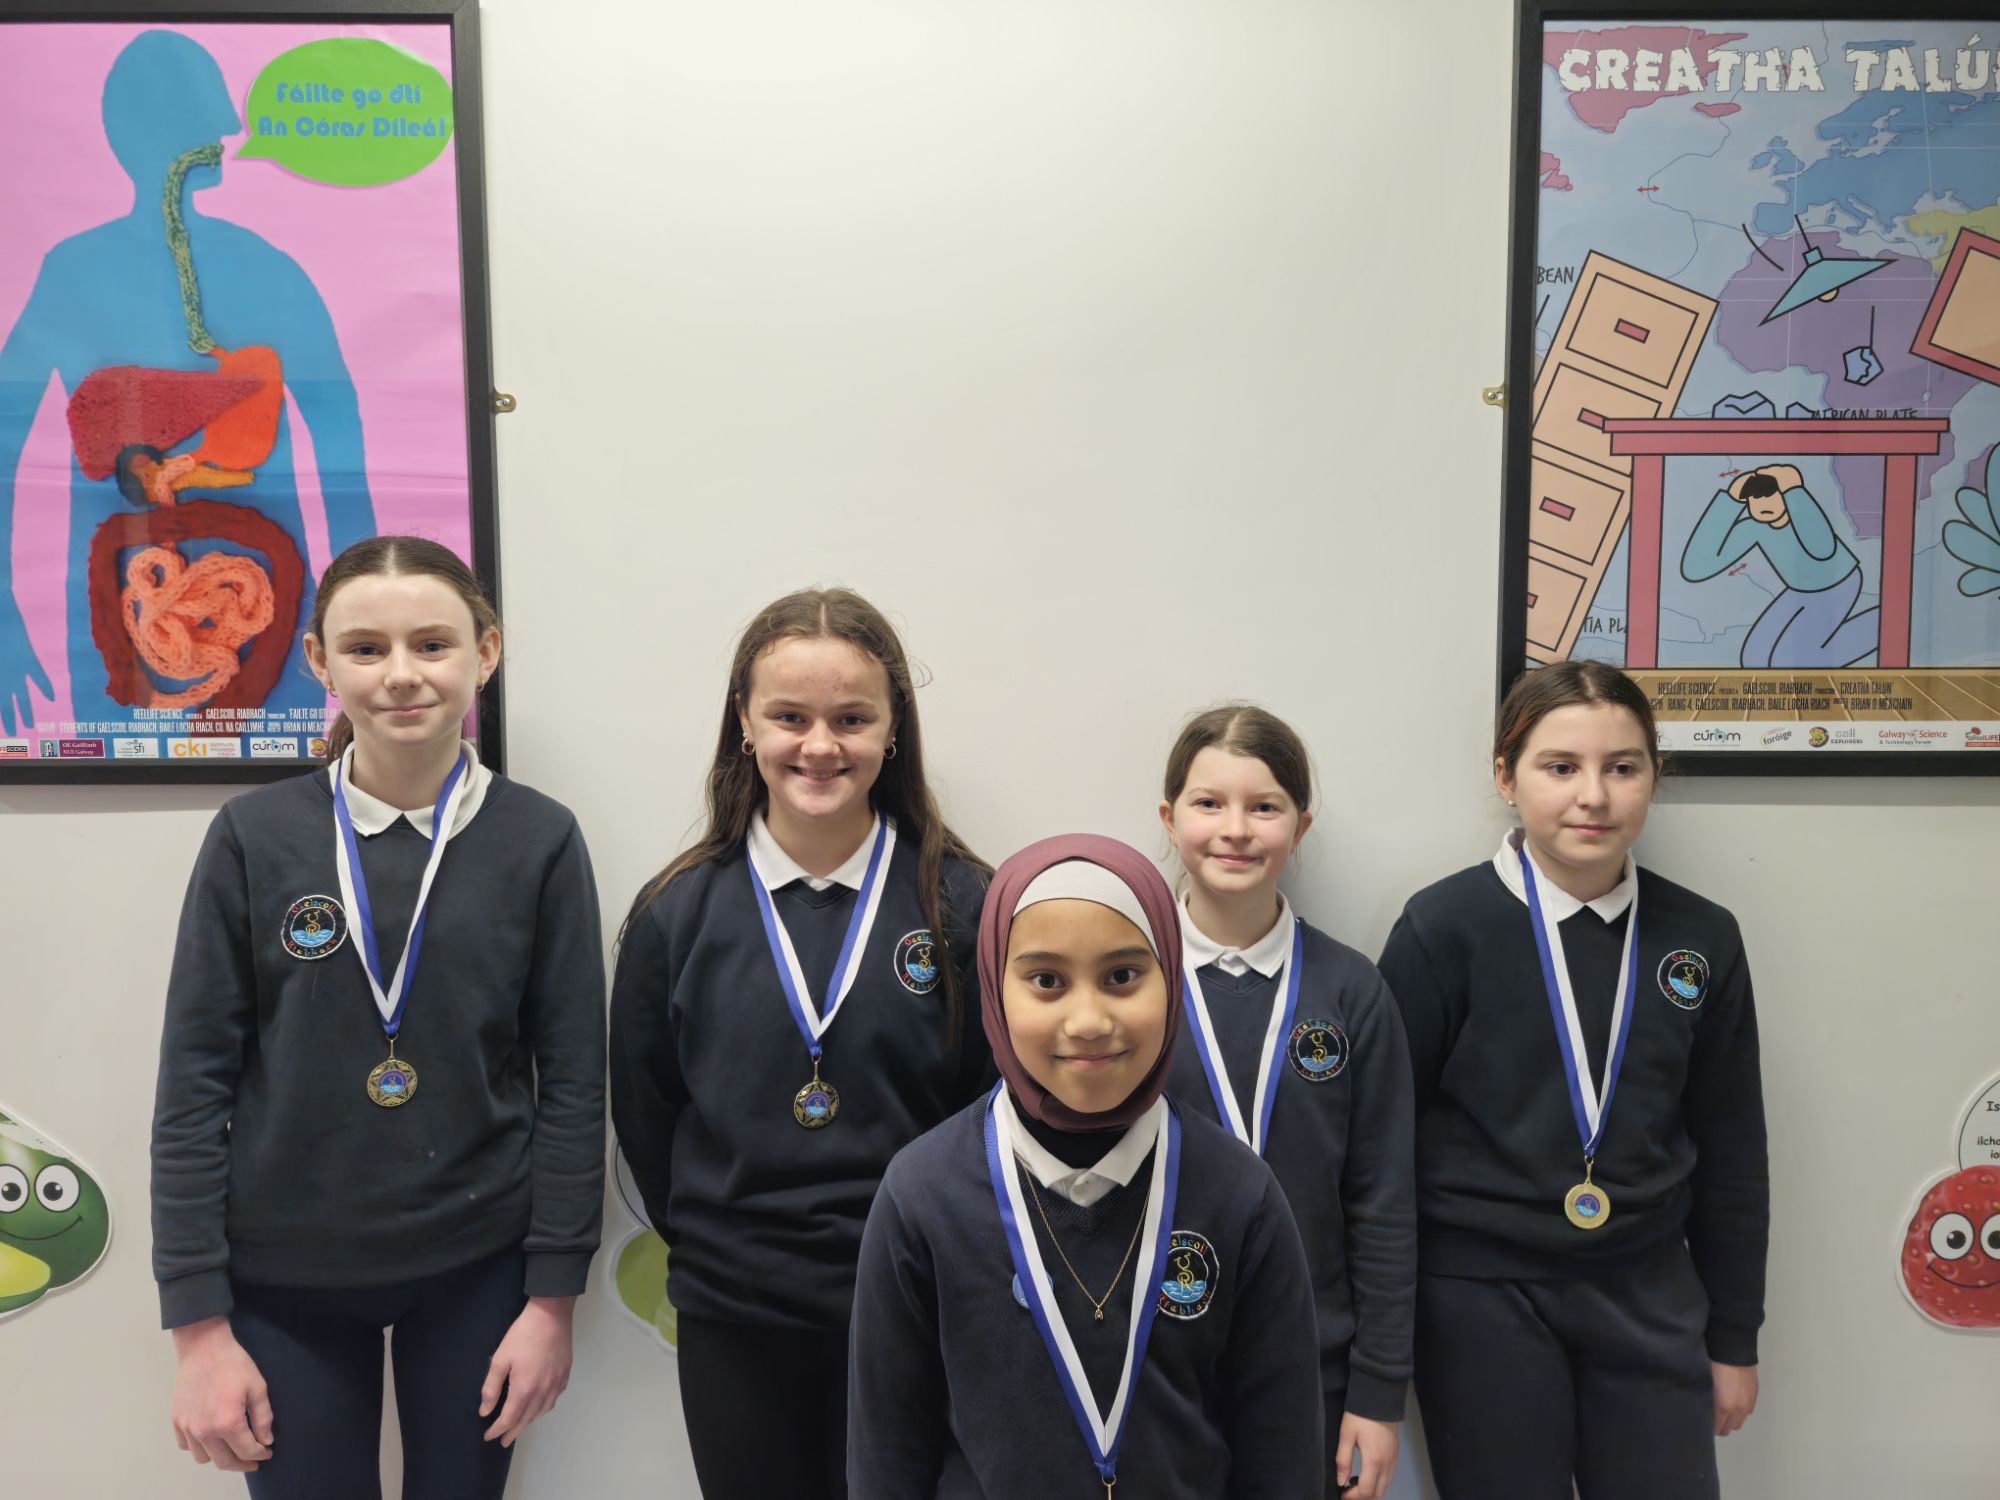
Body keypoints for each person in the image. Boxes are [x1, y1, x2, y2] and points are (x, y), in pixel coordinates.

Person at [151, 536, 604, 1498]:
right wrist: (196, 1326)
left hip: (479, 1267)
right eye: (366, 648)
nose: (401, 674)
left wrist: (553, 1299)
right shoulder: (253, 837)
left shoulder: (540, 839)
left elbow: (573, 1082)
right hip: (284, 1278)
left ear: (485, 652)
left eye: (433, 644)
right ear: (320, 661)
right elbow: (193, 1086)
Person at [609, 587, 989, 1499]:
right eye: (790, 717)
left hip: (913, 1301)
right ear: (745, 721)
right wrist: (720, 1241)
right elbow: (648, 1117)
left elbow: (987, 1113)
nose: (820, 746)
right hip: (735, 1313)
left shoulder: (963, 905)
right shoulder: (676, 914)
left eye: (852, 718)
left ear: (893, 729)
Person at [1377, 659, 1768, 1500]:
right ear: (1505, 777)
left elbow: (1735, 1151)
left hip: (1650, 1287)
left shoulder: (1701, 937)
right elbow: (1380, 1151)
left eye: (1622, 767)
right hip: (1479, 1297)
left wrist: (1735, 1336)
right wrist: (1383, 1343)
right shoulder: (1441, 928)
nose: (1593, 796)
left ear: (1654, 777)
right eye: (1560, 767)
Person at [849, 833, 1324, 1498]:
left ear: (1172, 978)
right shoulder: (921, 1195)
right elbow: (887, 1458)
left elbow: (1283, 1458)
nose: (1089, 1021)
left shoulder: (1240, 1193)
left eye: (1122, 977)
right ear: (994, 989)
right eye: (1047, 981)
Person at [1158, 705, 1414, 1498]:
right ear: (1169, 819)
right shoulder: (1129, 984)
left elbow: (1383, 1201)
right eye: (1209, 803)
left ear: (1300, 827)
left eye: (1264, 807)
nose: (1235, 829)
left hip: (1313, 1368)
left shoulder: (1350, 990)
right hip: (1154, 1362)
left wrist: (1378, 1392)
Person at [1680, 463, 1878, 668]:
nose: (1762, 503)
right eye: (1754, 497)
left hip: (1839, 583)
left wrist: (1795, 491)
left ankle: (1882, 624)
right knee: (1753, 660)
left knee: (1794, 660)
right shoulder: (1754, 527)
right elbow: (1695, 568)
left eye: (1771, 495)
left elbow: (1822, 550)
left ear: (1785, 495)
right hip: (1800, 590)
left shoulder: (1803, 518)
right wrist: (1729, 502)